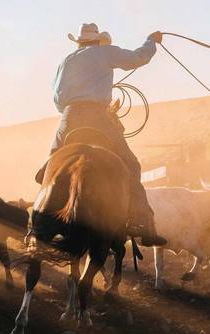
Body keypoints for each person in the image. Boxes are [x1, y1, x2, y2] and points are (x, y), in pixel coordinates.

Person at [42, 23, 166, 246]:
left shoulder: (66, 60)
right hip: (99, 116)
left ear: (79, 42)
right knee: (131, 164)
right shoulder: (106, 52)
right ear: (97, 40)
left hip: (69, 117)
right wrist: (151, 41)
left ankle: (39, 223)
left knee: (50, 164)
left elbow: (58, 98)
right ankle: (141, 221)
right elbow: (138, 58)